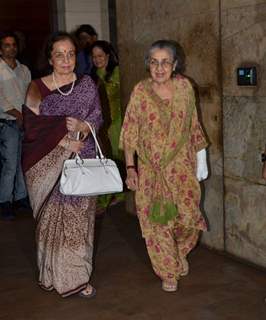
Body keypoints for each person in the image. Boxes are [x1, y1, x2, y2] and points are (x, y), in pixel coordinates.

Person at [120, 40, 209, 292]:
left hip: (182, 168)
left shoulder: (184, 88)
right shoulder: (140, 91)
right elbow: (130, 133)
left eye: (165, 62)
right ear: (148, 65)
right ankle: (167, 271)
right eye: (154, 62)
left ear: (174, 65)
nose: (159, 68)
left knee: (189, 222)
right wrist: (130, 168)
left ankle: (178, 254)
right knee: (156, 223)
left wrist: (201, 160)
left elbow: (193, 126)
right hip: (151, 171)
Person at [22, 31, 102, 298]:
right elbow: (32, 129)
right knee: (51, 224)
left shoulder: (87, 84)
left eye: (70, 54)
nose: (66, 60)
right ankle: (51, 274)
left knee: (78, 222)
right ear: (50, 58)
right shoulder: (36, 87)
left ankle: (76, 277)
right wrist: (64, 142)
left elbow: (98, 117)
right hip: (49, 163)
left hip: (82, 160)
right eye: (60, 55)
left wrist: (84, 127)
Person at [0, 31, 31, 220]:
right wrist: (17, 114)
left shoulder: (24, 69)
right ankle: (5, 201)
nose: (11, 48)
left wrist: (28, 116)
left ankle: (20, 197)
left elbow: (29, 94)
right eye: (6, 45)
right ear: (0, 48)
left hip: (23, 121)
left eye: (13, 45)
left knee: (22, 162)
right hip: (7, 123)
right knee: (10, 164)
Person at [91, 40, 124, 211]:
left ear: (108, 56)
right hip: (102, 124)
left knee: (113, 159)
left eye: (100, 56)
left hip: (117, 122)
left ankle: (109, 198)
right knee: (105, 160)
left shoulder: (117, 72)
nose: (97, 59)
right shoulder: (94, 75)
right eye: (94, 56)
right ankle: (114, 194)